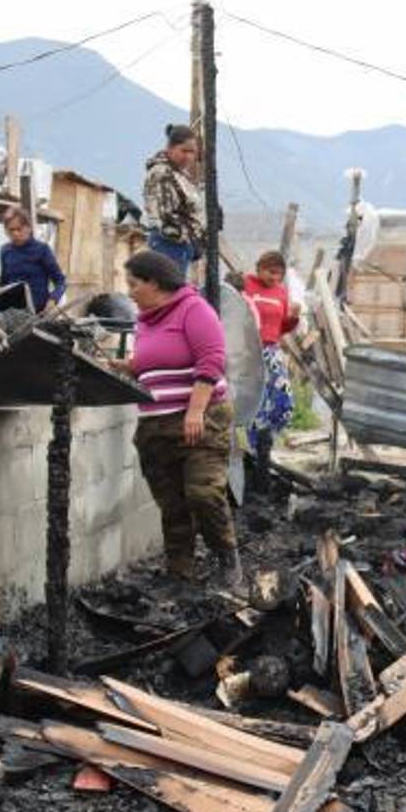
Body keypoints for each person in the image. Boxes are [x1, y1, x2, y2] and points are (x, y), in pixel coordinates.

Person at [121, 249, 241, 589]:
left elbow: (211, 358)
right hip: (155, 424)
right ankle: (180, 571)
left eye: (133, 284)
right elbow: (151, 362)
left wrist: (195, 411)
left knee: (202, 492)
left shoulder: (194, 308)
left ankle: (227, 556)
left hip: (200, 418)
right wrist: (126, 367)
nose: (129, 292)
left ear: (154, 282)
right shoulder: (144, 320)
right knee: (171, 502)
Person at [240, 250, 300, 489]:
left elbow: (281, 326)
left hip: (272, 351)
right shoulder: (245, 286)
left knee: (282, 401)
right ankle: (254, 450)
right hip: (248, 352)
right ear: (259, 268)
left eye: (279, 274)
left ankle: (265, 440)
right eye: (270, 272)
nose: (274, 277)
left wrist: (293, 318)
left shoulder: (281, 293)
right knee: (254, 403)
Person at [141, 125, 204, 277]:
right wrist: (190, 236)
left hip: (180, 245)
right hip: (169, 243)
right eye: (184, 151)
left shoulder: (180, 174)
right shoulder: (162, 173)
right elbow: (166, 216)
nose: (188, 156)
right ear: (170, 148)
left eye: (192, 152)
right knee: (169, 292)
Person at [0, 207, 65, 313]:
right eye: (11, 230)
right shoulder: (5, 251)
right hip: (12, 313)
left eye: (19, 229)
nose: (15, 233)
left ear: (28, 228)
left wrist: (53, 299)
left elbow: (61, 281)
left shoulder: (42, 250)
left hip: (38, 313)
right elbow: (4, 282)